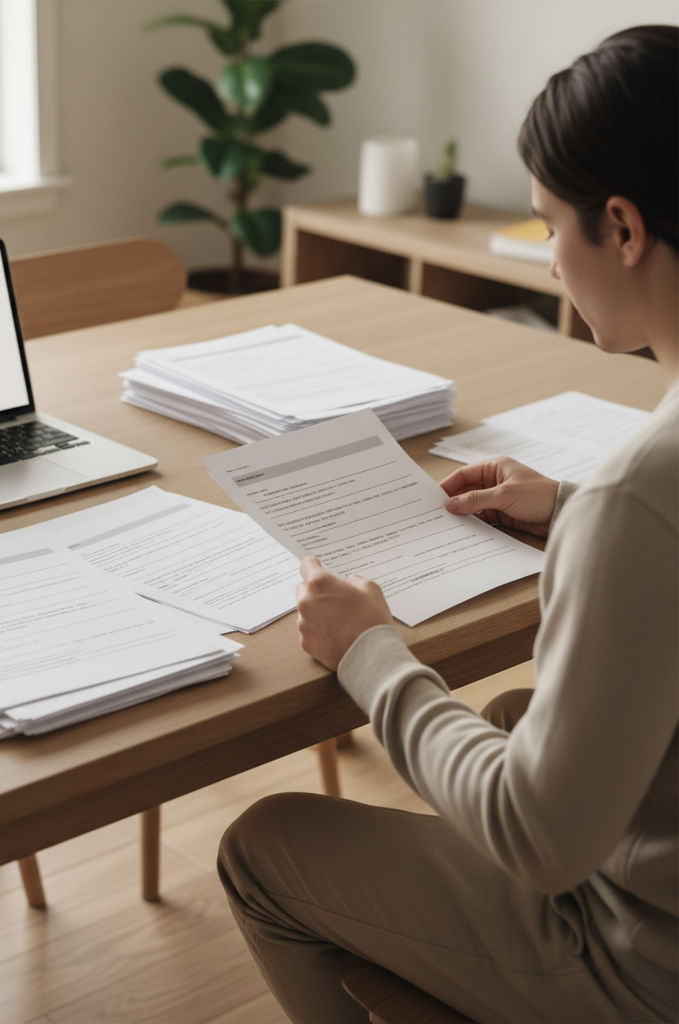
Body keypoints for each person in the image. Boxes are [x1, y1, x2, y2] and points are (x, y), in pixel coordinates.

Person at [217, 25, 677, 1024]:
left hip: (643, 965)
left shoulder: (638, 494)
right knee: (511, 718)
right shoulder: (631, 496)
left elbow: (535, 835)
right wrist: (563, 512)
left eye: (550, 226)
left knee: (260, 845)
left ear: (625, 229)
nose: (551, 263)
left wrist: (370, 651)